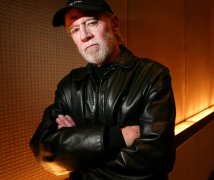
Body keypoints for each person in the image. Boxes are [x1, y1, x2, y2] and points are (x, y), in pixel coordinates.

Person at [29, 0, 176, 179]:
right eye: (74, 29)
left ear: (113, 24)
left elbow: (154, 158)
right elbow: (46, 151)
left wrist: (79, 152)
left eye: (91, 22)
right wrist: (116, 137)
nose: (84, 35)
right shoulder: (69, 85)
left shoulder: (152, 75)